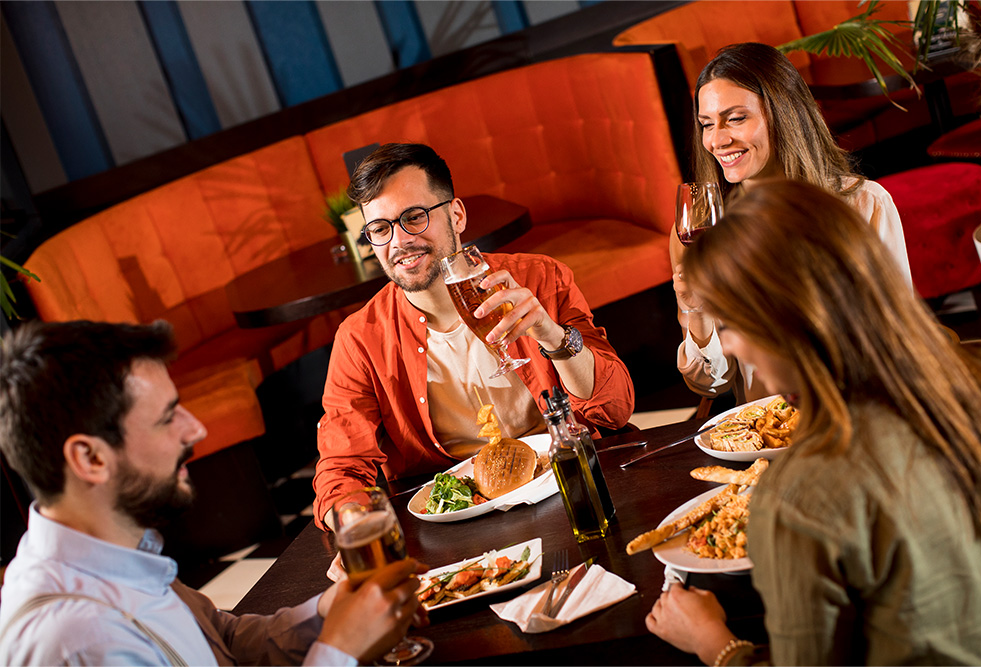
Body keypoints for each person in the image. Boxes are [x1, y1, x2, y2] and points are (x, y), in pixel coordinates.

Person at [646, 180, 981, 665]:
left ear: (782, 320)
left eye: (728, 325)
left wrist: (715, 644)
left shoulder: (799, 494)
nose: (726, 346)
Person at [0, 320, 427, 666]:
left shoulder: (116, 554)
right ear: (90, 459)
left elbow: (222, 642)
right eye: (168, 418)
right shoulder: (79, 641)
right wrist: (340, 650)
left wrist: (328, 613)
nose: (196, 429)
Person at [314, 143, 634, 530]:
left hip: (569, 483)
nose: (398, 241)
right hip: (459, 521)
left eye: (414, 217)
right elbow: (341, 469)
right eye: (380, 229)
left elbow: (615, 410)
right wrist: (357, 530)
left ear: (457, 215)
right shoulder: (360, 338)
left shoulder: (539, 278)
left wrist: (551, 335)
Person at [672, 42, 913, 404]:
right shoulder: (703, 229)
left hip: (860, 416)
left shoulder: (863, 204)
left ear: (784, 113)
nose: (717, 140)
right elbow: (711, 384)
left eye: (736, 118)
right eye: (707, 124)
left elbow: (901, 338)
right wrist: (696, 313)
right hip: (763, 435)